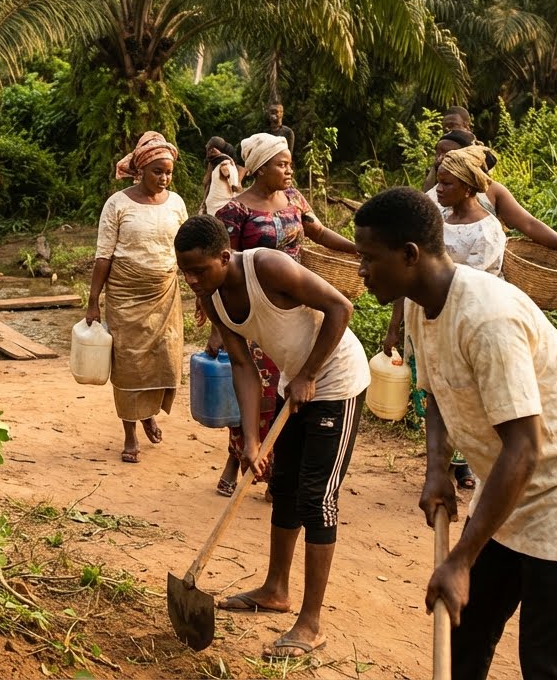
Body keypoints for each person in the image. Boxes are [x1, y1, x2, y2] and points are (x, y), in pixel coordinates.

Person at [353, 187, 557, 680]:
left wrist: (461, 559)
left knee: (550, 661)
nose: (360, 270)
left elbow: (525, 446)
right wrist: (436, 469)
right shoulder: (415, 303)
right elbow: (437, 391)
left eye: (368, 257)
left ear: (410, 255)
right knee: (463, 632)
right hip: (510, 487)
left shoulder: (487, 317)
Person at [174, 214, 368, 660]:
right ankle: (276, 589)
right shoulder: (216, 299)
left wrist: (309, 373)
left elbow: (341, 307)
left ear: (225, 256)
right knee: (283, 488)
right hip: (292, 386)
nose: (192, 279)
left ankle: (311, 623)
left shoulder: (268, 267)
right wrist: (251, 441)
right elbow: (243, 367)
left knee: (316, 497)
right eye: (185, 271)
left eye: (199, 269)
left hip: (335, 381)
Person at [211, 132, 356, 497]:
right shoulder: (234, 212)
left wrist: (358, 250)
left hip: (294, 304)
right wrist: (219, 325)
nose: (289, 170)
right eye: (282, 164)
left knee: (287, 397)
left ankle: (279, 473)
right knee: (256, 394)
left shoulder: (293, 198)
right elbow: (217, 270)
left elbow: (319, 232)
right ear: (260, 169)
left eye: (290, 163)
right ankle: (240, 458)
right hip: (257, 311)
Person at [387, 145, 507, 490]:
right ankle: (439, 465)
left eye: (446, 184)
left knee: (466, 392)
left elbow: (470, 283)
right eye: (438, 183)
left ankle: (469, 465)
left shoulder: (487, 231)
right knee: (437, 390)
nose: (438, 190)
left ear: (469, 188)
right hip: (431, 315)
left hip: (466, 319)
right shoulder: (438, 220)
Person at [85, 131, 188, 464]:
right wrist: (93, 301)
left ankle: (149, 413)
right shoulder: (117, 204)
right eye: (157, 171)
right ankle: (130, 434)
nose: (164, 178)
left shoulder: (176, 203)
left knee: (164, 357)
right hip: (125, 296)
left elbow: (186, 251)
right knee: (129, 364)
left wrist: (202, 293)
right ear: (140, 171)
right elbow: (104, 256)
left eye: (168, 171)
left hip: (165, 293)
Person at [419, 130, 557, 271]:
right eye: (438, 152)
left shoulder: (488, 217)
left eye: (448, 153)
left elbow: (529, 224)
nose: (440, 158)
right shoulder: (436, 196)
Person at [198, 136, 241, 216]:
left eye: (208, 148)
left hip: (220, 211)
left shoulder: (224, 165)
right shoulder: (218, 164)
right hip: (216, 210)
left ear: (212, 149)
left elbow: (233, 189)